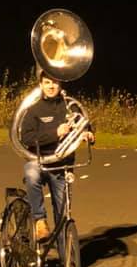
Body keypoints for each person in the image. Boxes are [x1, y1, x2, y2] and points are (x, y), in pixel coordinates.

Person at [18, 70, 95, 244]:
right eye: (47, 82)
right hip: (39, 161)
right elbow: (26, 138)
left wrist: (87, 134)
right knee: (31, 173)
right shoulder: (34, 109)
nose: (51, 86)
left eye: (54, 83)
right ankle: (39, 220)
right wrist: (55, 133)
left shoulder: (70, 106)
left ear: (60, 85)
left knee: (63, 217)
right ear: (41, 85)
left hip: (62, 164)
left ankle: (65, 257)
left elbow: (85, 125)